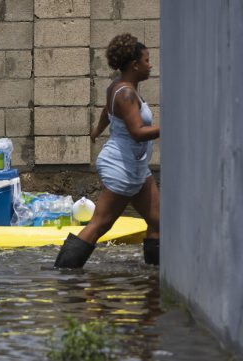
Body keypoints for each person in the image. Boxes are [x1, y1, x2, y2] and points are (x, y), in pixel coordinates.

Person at [54, 33, 160, 268]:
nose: (150, 65)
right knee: (100, 224)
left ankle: (155, 274)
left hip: (135, 166)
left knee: (158, 221)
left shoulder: (120, 87)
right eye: (146, 60)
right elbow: (137, 131)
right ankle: (64, 273)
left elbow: (106, 112)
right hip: (121, 167)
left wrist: (96, 131)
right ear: (134, 65)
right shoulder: (126, 94)